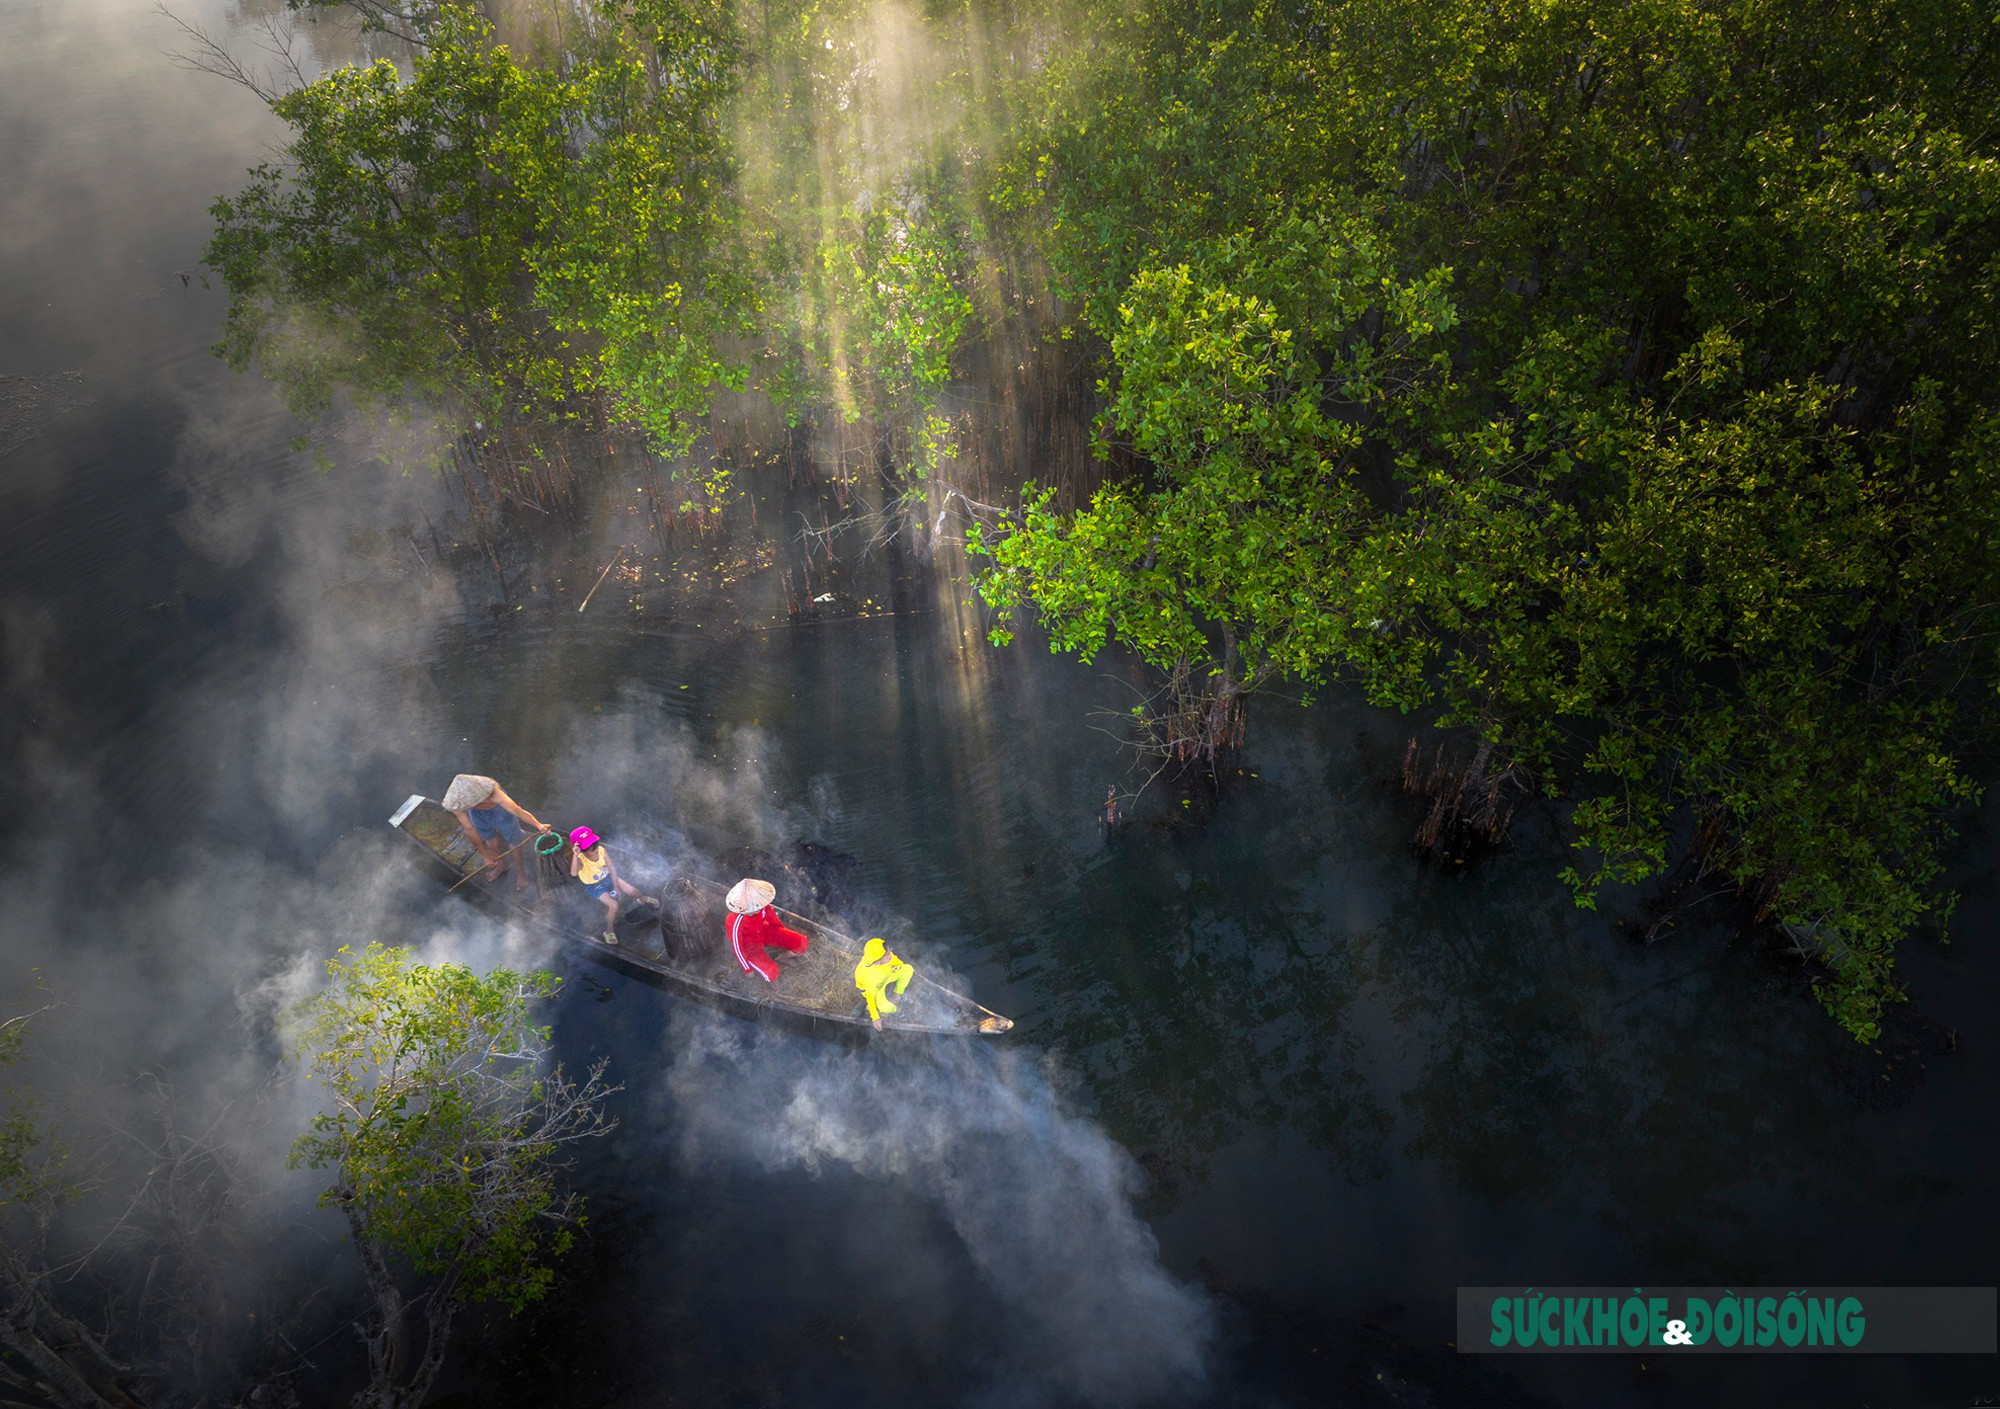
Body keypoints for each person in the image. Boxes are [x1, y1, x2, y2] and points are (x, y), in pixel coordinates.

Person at [441, 773, 550, 891]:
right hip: (478, 815)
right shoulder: (457, 804)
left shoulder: (494, 793)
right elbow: (469, 829)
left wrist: (538, 825)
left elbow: (517, 811)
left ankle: (520, 871)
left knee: (514, 841)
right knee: (491, 843)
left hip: (499, 811)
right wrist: (485, 856)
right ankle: (502, 865)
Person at [568, 827, 655, 945]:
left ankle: (642, 898)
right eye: (590, 848)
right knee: (613, 905)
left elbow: (612, 868)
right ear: (582, 850)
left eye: (595, 844)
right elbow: (573, 873)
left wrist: (616, 887)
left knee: (633, 891)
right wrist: (575, 855)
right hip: (594, 886)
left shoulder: (601, 850)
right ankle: (609, 931)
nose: (594, 849)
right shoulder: (581, 860)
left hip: (608, 877)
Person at [724, 878, 809, 984]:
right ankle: (775, 985)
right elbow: (738, 947)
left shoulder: (762, 906)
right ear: (743, 908)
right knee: (772, 972)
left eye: (757, 906)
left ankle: (782, 958)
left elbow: (774, 921)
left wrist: (783, 936)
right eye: (753, 908)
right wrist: (747, 969)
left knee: (801, 942)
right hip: (749, 945)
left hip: (764, 932)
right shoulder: (735, 921)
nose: (758, 909)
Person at [853, 938, 914, 1031]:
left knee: (908, 969)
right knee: (884, 1007)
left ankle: (896, 995)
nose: (890, 955)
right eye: (886, 956)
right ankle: (898, 1011)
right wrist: (875, 1018)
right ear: (876, 962)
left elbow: (896, 961)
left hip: (884, 975)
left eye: (889, 951)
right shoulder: (870, 976)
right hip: (873, 988)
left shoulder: (884, 953)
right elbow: (870, 996)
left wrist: (898, 967)